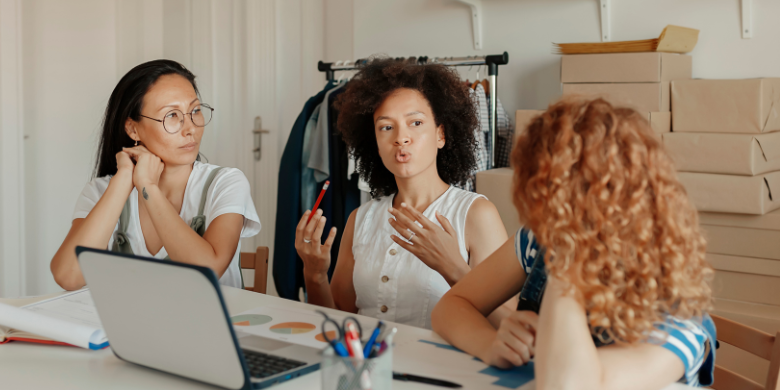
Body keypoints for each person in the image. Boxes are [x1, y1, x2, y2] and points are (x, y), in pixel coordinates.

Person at [432, 98, 717, 389]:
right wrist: (491, 344)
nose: (545, 218)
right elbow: (450, 308)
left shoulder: (676, 314)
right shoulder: (538, 241)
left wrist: (567, 264)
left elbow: (569, 385)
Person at [294, 58, 514, 329]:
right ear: (374, 142)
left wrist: (453, 268)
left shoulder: (476, 214)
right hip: (369, 367)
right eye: (386, 127)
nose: (401, 137)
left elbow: (508, 325)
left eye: (416, 123)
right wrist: (314, 275)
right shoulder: (359, 219)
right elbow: (340, 321)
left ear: (441, 134)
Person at [51, 60, 260, 291]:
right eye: (171, 115)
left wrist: (148, 186)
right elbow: (68, 276)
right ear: (133, 129)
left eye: (195, 111)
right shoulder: (101, 191)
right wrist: (123, 180)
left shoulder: (226, 183)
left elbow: (207, 271)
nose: (190, 127)